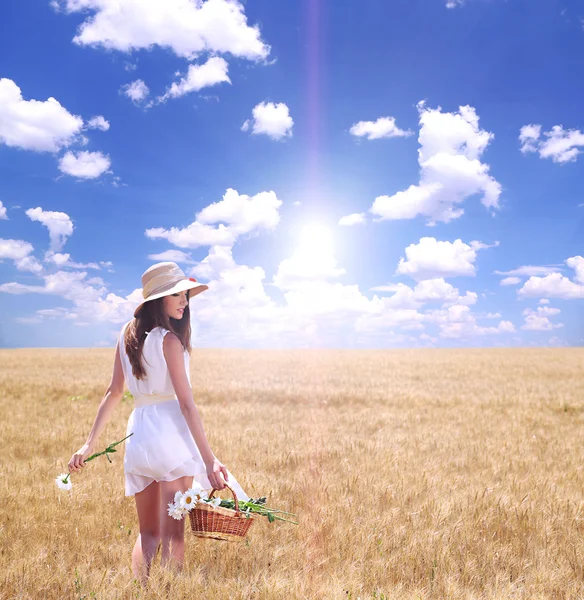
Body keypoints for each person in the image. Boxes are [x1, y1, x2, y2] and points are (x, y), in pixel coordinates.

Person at [67, 261, 251, 583]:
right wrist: (209, 461)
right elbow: (186, 404)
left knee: (148, 531)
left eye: (185, 295)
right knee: (173, 536)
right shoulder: (170, 341)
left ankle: (141, 590)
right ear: (158, 300)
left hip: (139, 436)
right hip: (170, 439)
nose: (184, 301)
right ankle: (166, 592)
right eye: (177, 295)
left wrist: (88, 444)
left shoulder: (126, 335)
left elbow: (113, 392)